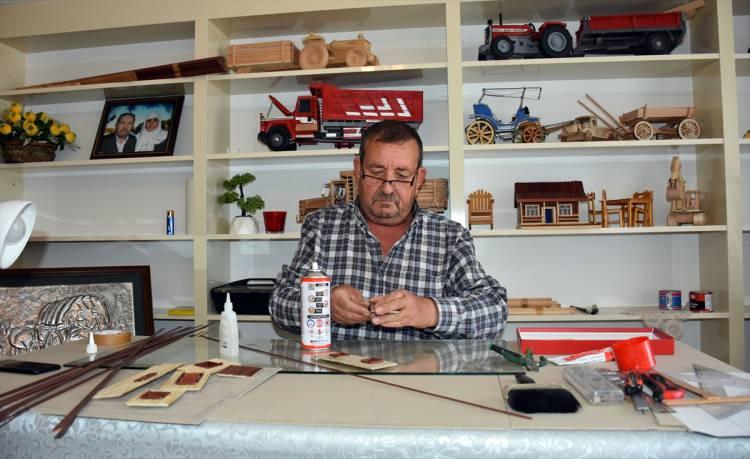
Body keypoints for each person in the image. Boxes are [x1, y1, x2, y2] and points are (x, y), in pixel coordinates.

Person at [269, 120, 507, 340]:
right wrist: (323, 303)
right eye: (376, 173)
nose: (387, 188)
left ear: (419, 179)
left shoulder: (450, 237)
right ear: (358, 169)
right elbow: (279, 303)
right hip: (336, 371)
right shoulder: (321, 227)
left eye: (401, 176)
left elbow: (494, 308)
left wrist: (429, 311)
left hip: (419, 372)